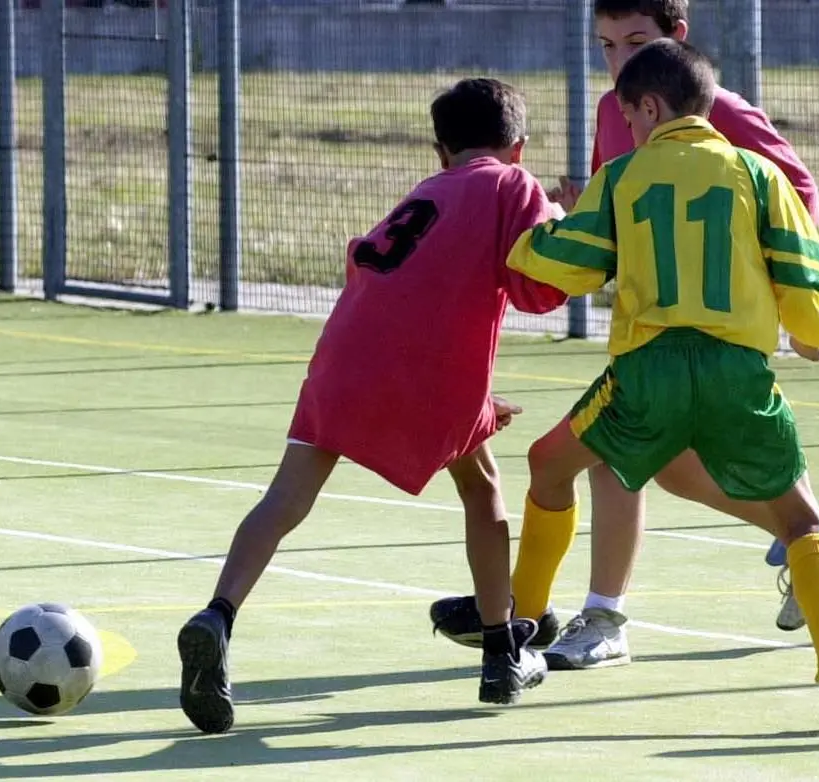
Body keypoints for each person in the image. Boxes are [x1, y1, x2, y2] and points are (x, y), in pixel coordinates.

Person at [429, 0, 819, 669]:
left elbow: (791, 193)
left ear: (672, 46)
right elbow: (618, 216)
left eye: (634, 42)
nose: (618, 60)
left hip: (659, 351)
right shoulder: (623, 113)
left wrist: (515, 244)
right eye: (605, 44)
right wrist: (806, 323)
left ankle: (557, 619)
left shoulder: (717, 114)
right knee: (676, 474)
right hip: (715, 354)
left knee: (583, 459)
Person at [175, 77, 570, 733]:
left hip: (341, 360)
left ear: (439, 150)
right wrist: (570, 226)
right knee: (483, 493)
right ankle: (502, 654)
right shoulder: (511, 184)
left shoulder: (425, 193)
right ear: (518, 147)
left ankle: (216, 613)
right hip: (427, 374)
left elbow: (404, 293)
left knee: (284, 500)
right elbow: (539, 287)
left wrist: (470, 398)